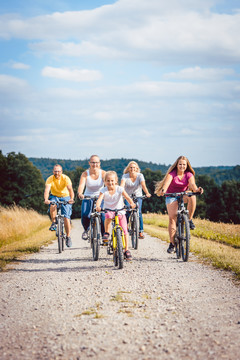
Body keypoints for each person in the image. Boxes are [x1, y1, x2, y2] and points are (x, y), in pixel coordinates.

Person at [155, 155, 203, 254]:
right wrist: (163, 190)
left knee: (192, 197)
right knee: (172, 218)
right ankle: (172, 243)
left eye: (184, 164)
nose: (182, 166)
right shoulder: (172, 174)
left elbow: (192, 185)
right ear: (177, 165)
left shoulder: (189, 174)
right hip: (171, 196)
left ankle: (189, 220)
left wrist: (197, 190)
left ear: (187, 165)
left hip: (184, 195)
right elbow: (166, 185)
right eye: (180, 164)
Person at [96, 171, 136, 260]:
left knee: (125, 230)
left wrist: (132, 203)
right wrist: (98, 206)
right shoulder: (103, 190)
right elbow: (99, 199)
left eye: (112, 180)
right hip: (109, 210)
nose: (110, 183)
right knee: (108, 216)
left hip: (120, 211)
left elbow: (127, 198)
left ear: (116, 181)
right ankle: (107, 232)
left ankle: (126, 250)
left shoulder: (120, 189)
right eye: (108, 181)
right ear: (105, 181)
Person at [44, 164, 74, 247]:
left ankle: (68, 236)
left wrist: (71, 198)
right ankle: (53, 223)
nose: (57, 173)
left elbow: (70, 189)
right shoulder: (50, 179)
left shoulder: (66, 178)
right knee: (52, 204)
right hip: (54, 196)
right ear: (53, 171)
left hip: (65, 197)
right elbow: (47, 190)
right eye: (55, 171)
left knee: (66, 218)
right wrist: (46, 199)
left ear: (61, 172)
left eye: (58, 171)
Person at [120, 161, 151, 239]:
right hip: (128, 196)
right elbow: (122, 186)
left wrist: (147, 193)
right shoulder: (125, 176)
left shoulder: (140, 176)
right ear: (128, 168)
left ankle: (140, 231)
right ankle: (125, 227)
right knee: (127, 211)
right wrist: (119, 192)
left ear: (137, 169)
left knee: (138, 212)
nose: (132, 169)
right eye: (131, 167)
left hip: (138, 196)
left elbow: (143, 185)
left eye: (134, 167)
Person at [77, 155, 106, 240]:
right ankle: (86, 230)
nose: (95, 164)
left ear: (99, 163)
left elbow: (107, 184)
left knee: (103, 216)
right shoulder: (85, 174)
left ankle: (104, 235)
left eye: (97, 162)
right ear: (89, 163)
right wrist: (80, 193)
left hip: (100, 197)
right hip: (88, 196)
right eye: (93, 162)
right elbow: (81, 185)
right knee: (85, 215)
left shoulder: (103, 173)